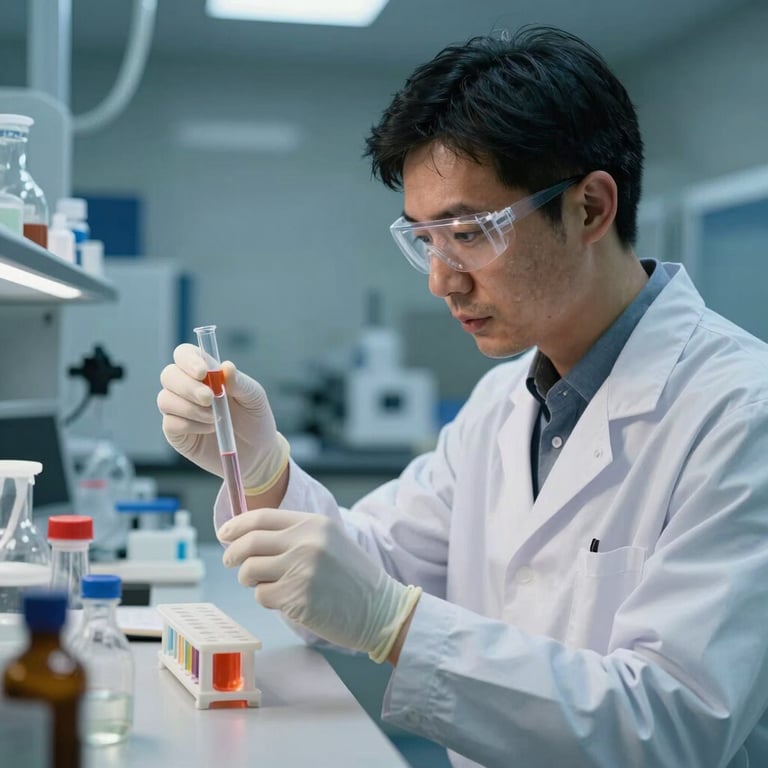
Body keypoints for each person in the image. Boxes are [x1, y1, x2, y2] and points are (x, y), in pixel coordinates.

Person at [157, 25, 768, 768]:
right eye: (424, 238)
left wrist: (395, 624)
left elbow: (673, 725)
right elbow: (359, 569)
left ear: (590, 208)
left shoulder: (741, 413)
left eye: (469, 233)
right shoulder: (500, 403)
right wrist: (261, 469)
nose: (441, 279)